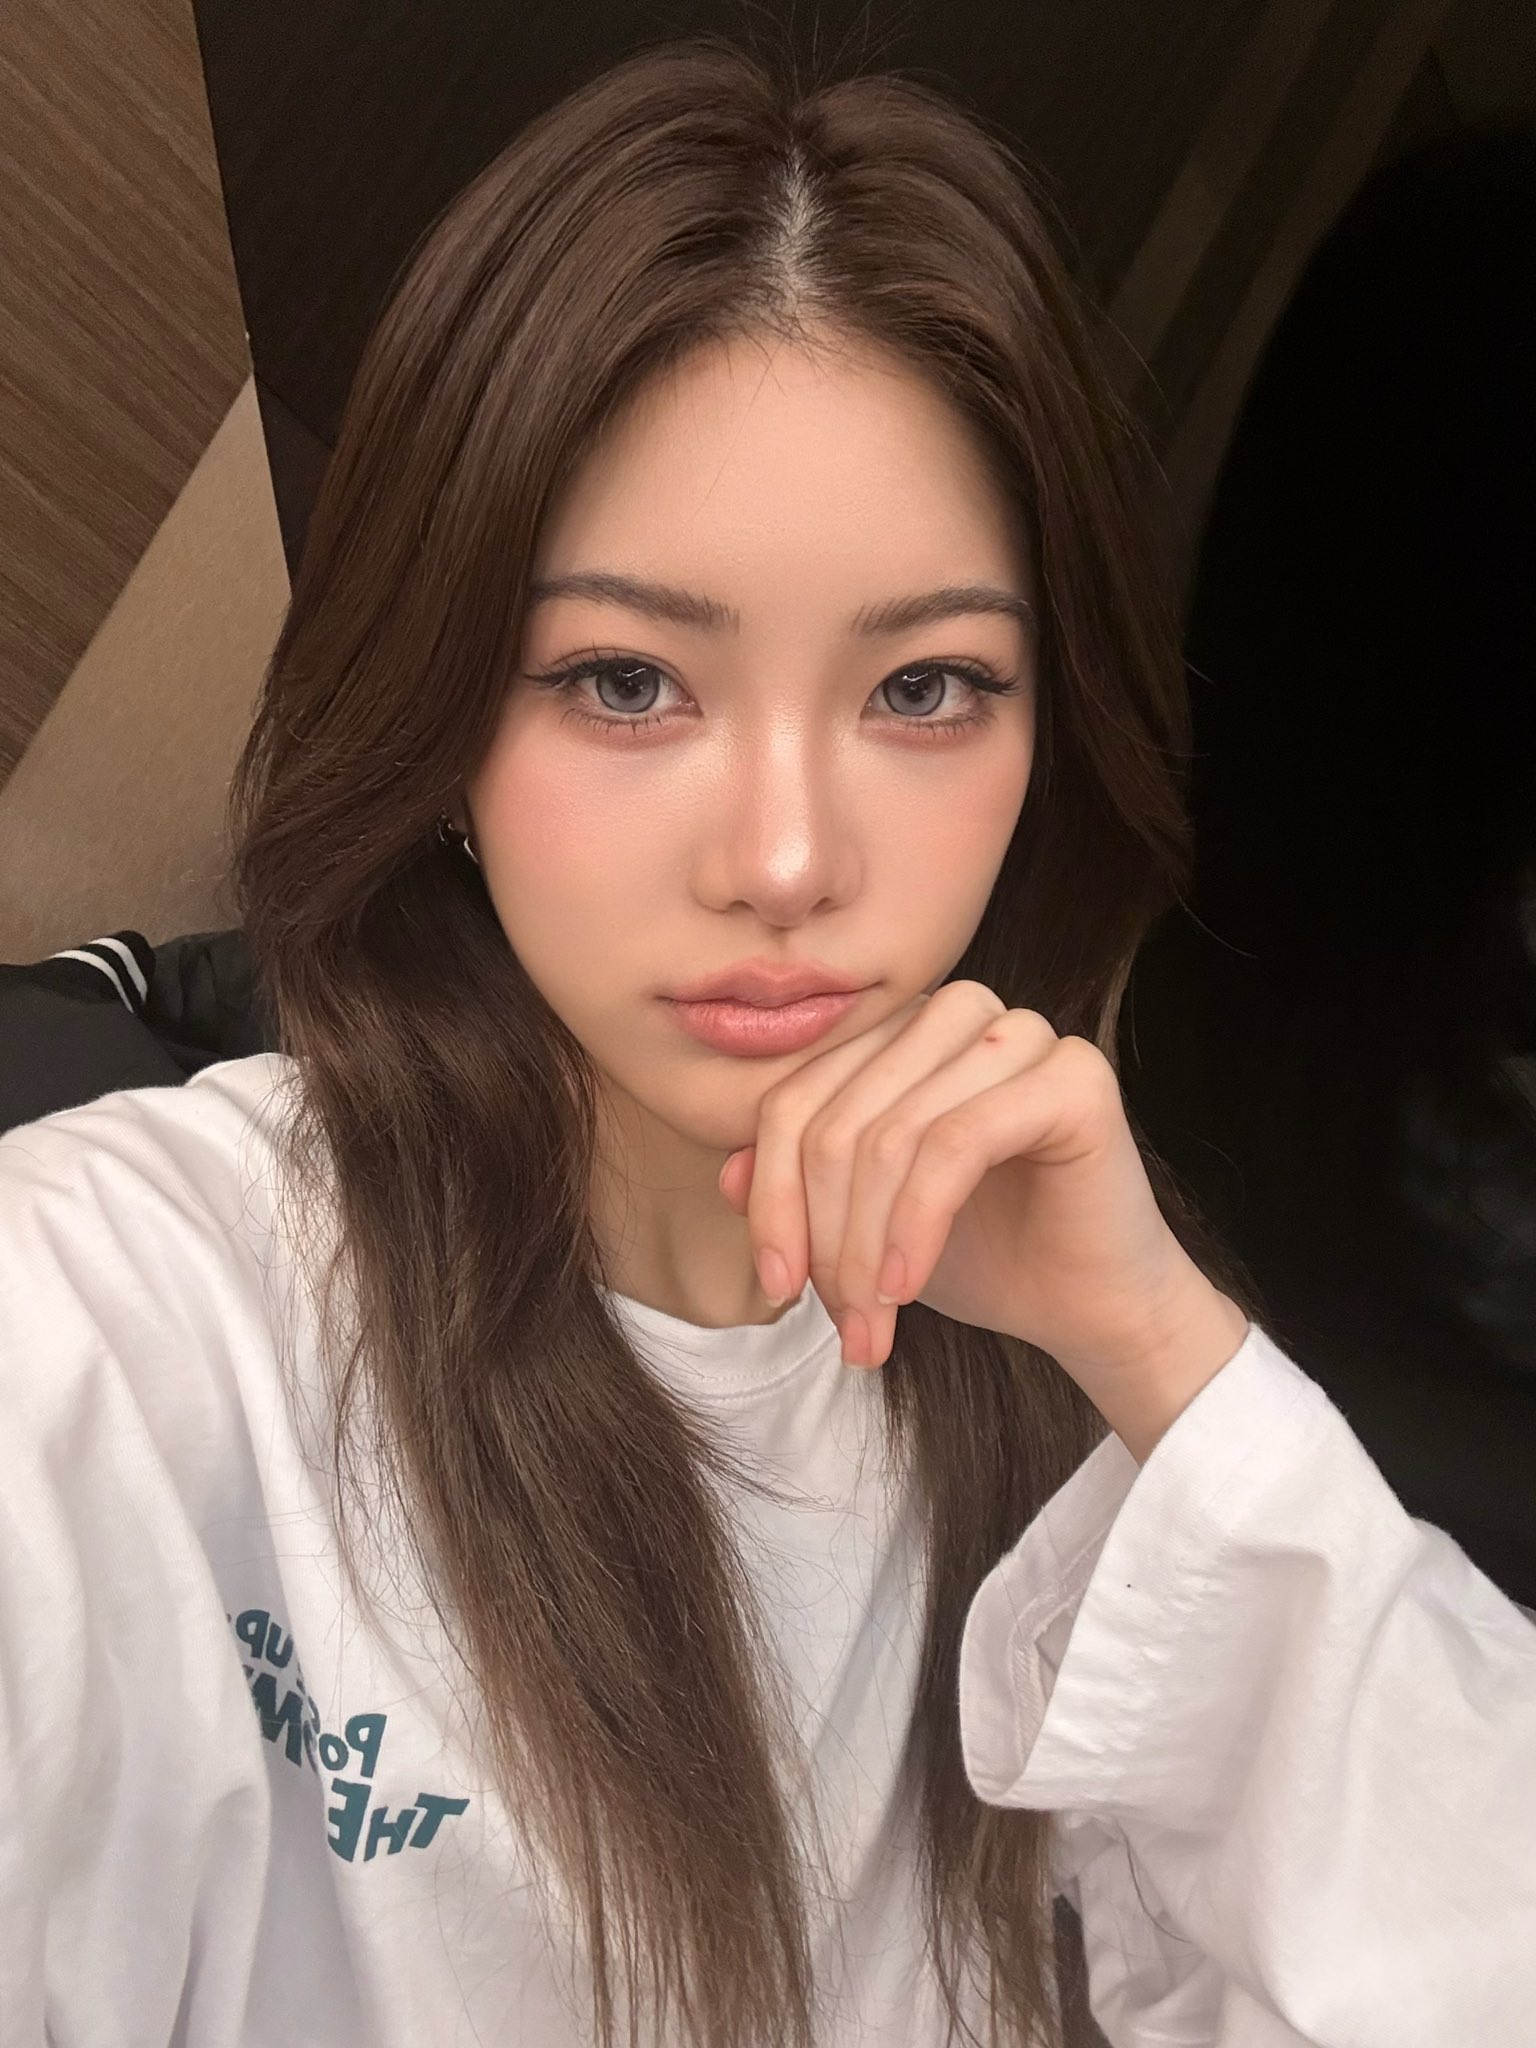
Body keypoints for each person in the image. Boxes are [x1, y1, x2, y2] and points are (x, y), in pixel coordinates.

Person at [1, 38, 1532, 2048]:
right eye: (628, 681)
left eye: (926, 689)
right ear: (444, 722)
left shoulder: (1059, 1396)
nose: (790, 860)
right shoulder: (130, 1318)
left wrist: (1167, 1357)